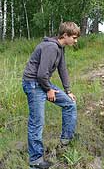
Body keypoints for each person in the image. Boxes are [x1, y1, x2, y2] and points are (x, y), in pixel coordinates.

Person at [22, 22, 80, 169]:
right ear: (65, 35)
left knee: (70, 104)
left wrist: (68, 91)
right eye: (74, 37)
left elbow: (62, 69)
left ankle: (66, 141)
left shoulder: (60, 48)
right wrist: (48, 89)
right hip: (34, 84)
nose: (76, 40)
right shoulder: (51, 47)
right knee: (37, 121)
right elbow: (41, 74)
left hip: (42, 83)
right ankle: (36, 160)